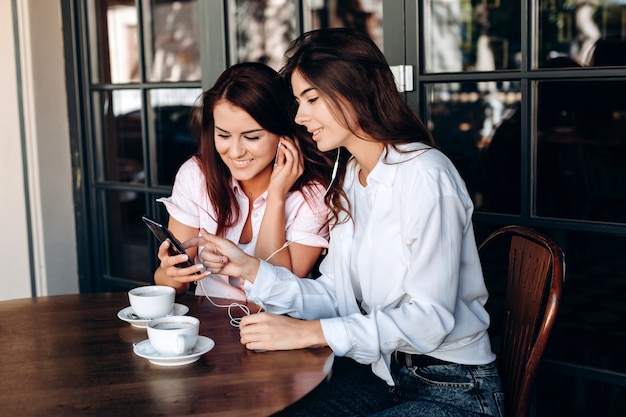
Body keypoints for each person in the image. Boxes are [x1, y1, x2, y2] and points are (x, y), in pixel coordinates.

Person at [185, 28, 503, 416]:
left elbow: (430, 318)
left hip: (452, 388)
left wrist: (308, 333)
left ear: (354, 91)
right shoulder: (351, 176)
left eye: (311, 99)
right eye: (299, 101)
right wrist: (250, 268)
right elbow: (337, 294)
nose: (300, 118)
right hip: (381, 375)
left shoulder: (425, 174)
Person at [154, 62, 334, 301]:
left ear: (283, 133)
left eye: (251, 137)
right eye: (223, 135)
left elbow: (277, 295)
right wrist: (171, 273)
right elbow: (170, 284)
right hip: (208, 326)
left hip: (275, 330)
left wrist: (277, 196)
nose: (236, 151)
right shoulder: (196, 175)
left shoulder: (313, 195)